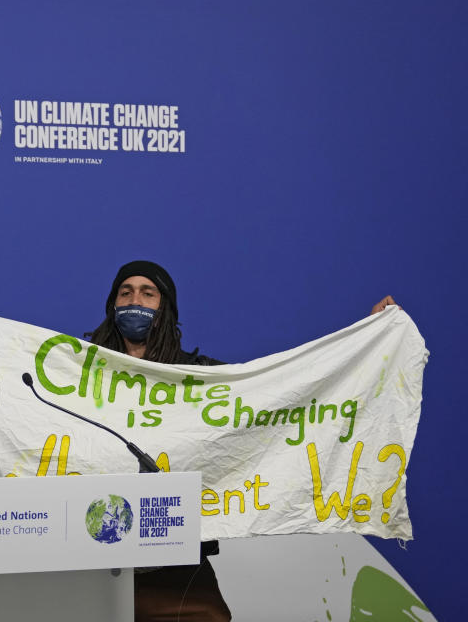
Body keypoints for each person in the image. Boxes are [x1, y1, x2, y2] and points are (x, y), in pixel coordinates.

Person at [86, 260, 396, 622]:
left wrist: (370, 336)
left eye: (147, 292)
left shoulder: (203, 378)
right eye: (126, 292)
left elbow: (283, 398)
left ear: (165, 307)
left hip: (174, 560)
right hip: (95, 556)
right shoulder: (77, 374)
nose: (134, 299)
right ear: (113, 305)